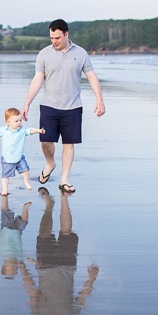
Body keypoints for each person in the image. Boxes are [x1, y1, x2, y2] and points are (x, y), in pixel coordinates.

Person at [21, 19, 106, 194]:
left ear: (66, 34)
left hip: (73, 107)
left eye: (57, 37)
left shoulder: (81, 53)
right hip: (49, 105)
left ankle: (64, 180)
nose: (54, 41)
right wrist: (27, 103)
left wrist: (100, 100)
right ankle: (50, 163)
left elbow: (91, 77)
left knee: (69, 144)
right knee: (46, 141)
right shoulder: (44, 54)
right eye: (52, 38)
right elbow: (38, 79)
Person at [0, 107, 46, 195]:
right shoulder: (3, 130)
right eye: (16, 121)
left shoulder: (22, 130)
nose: (19, 123)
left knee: (26, 170)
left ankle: (26, 182)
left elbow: (30, 130)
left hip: (19, 157)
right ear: (8, 122)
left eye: (20, 120)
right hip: (7, 158)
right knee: (5, 175)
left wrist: (39, 130)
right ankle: (5, 190)